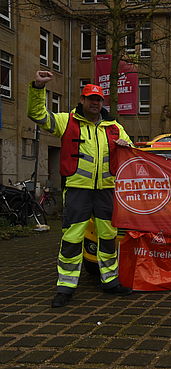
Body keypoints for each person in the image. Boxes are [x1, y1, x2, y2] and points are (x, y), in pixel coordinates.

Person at [28, 71, 133, 308]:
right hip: (77, 191)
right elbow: (37, 114)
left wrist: (127, 146)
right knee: (72, 239)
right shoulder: (67, 121)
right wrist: (37, 88)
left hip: (106, 190)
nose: (95, 103)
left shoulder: (115, 127)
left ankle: (110, 282)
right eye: (90, 99)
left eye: (98, 100)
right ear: (82, 101)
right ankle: (65, 287)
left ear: (102, 103)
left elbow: (132, 154)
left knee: (108, 237)